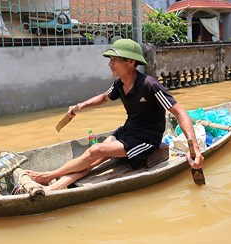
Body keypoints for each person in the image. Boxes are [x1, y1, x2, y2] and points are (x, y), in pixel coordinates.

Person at [26, 39, 204, 190]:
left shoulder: (149, 85)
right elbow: (104, 97)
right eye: (110, 60)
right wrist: (79, 106)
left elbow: (179, 111)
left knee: (96, 150)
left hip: (146, 140)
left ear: (131, 62)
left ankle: (48, 176)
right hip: (127, 132)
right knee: (93, 160)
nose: (109, 64)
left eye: (114, 60)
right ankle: (54, 187)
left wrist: (194, 147)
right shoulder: (120, 84)